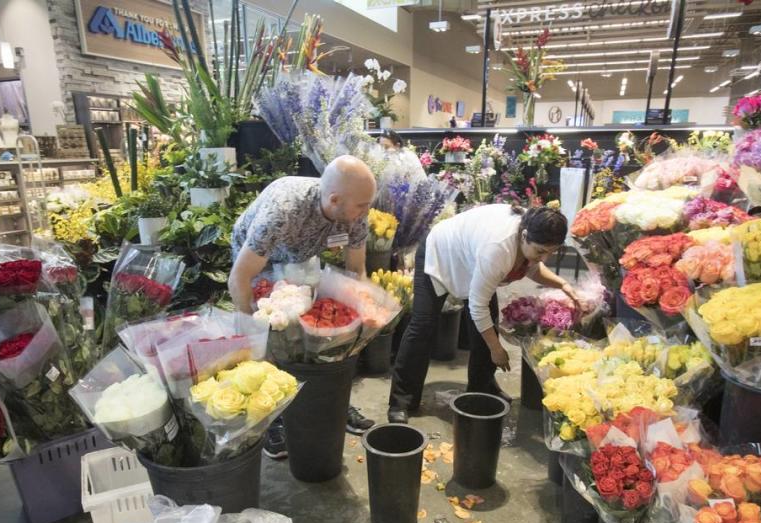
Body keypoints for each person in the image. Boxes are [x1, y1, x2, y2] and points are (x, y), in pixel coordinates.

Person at [229, 155, 379, 458]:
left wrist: (358, 313)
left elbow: (356, 270)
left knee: (316, 329)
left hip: (302, 254)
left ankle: (328, 398)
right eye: (362, 206)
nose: (367, 211)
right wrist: (254, 329)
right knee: (274, 335)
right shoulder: (283, 211)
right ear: (335, 200)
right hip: (260, 261)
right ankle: (271, 418)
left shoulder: (353, 208)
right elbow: (239, 278)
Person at [387, 204, 578, 423]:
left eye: (551, 253)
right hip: (441, 254)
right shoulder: (498, 248)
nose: (544, 258)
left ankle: (481, 389)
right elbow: (477, 307)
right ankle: (401, 401)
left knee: (487, 328)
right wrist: (497, 349)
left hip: (472, 260)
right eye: (540, 252)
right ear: (524, 236)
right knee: (422, 327)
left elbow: (533, 267)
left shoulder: (535, 228)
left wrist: (563, 284)